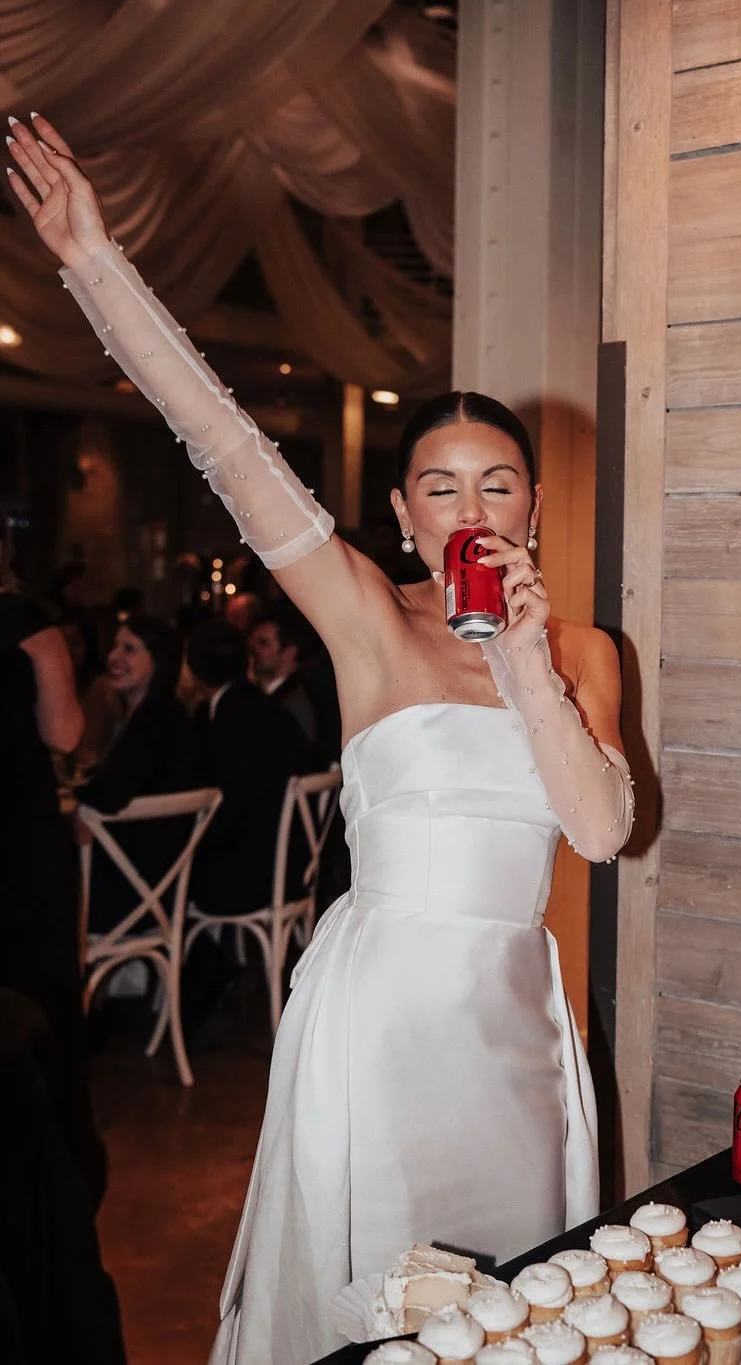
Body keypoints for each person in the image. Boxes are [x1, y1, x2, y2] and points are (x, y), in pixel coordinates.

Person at [8, 115, 635, 1365]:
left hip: (518, 1013)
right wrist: (93, 262)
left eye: (497, 483)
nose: (472, 509)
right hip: (383, 1015)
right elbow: (233, 450)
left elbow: (604, 830)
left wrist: (522, 661)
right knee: (383, 1309)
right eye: (442, 489)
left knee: (518, 1305)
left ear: (536, 502)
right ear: (405, 518)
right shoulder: (362, 624)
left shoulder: (584, 654)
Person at [0, 565, 107, 1207]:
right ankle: (57, 1166)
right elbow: (64, 732)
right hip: (17, 839)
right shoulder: (23, 622)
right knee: (37, 997)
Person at [76, 614, 201, 934]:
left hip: (132, 893)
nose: (113, 657)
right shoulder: (159, 715)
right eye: (115, 646)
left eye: (129, 649)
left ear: (158, 661)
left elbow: (106, 796)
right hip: (155, 887)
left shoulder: (155, 721)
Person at [187, 619, 315, 919]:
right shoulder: (270, 711)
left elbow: (221, 805)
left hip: (250, 878)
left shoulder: (223, 721)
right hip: (293, 869)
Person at [247, 605, 319, 744]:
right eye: (252, 643)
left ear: (289, 653)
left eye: (263, 643)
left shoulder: (295, 702)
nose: (253, 650)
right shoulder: (257, 694)